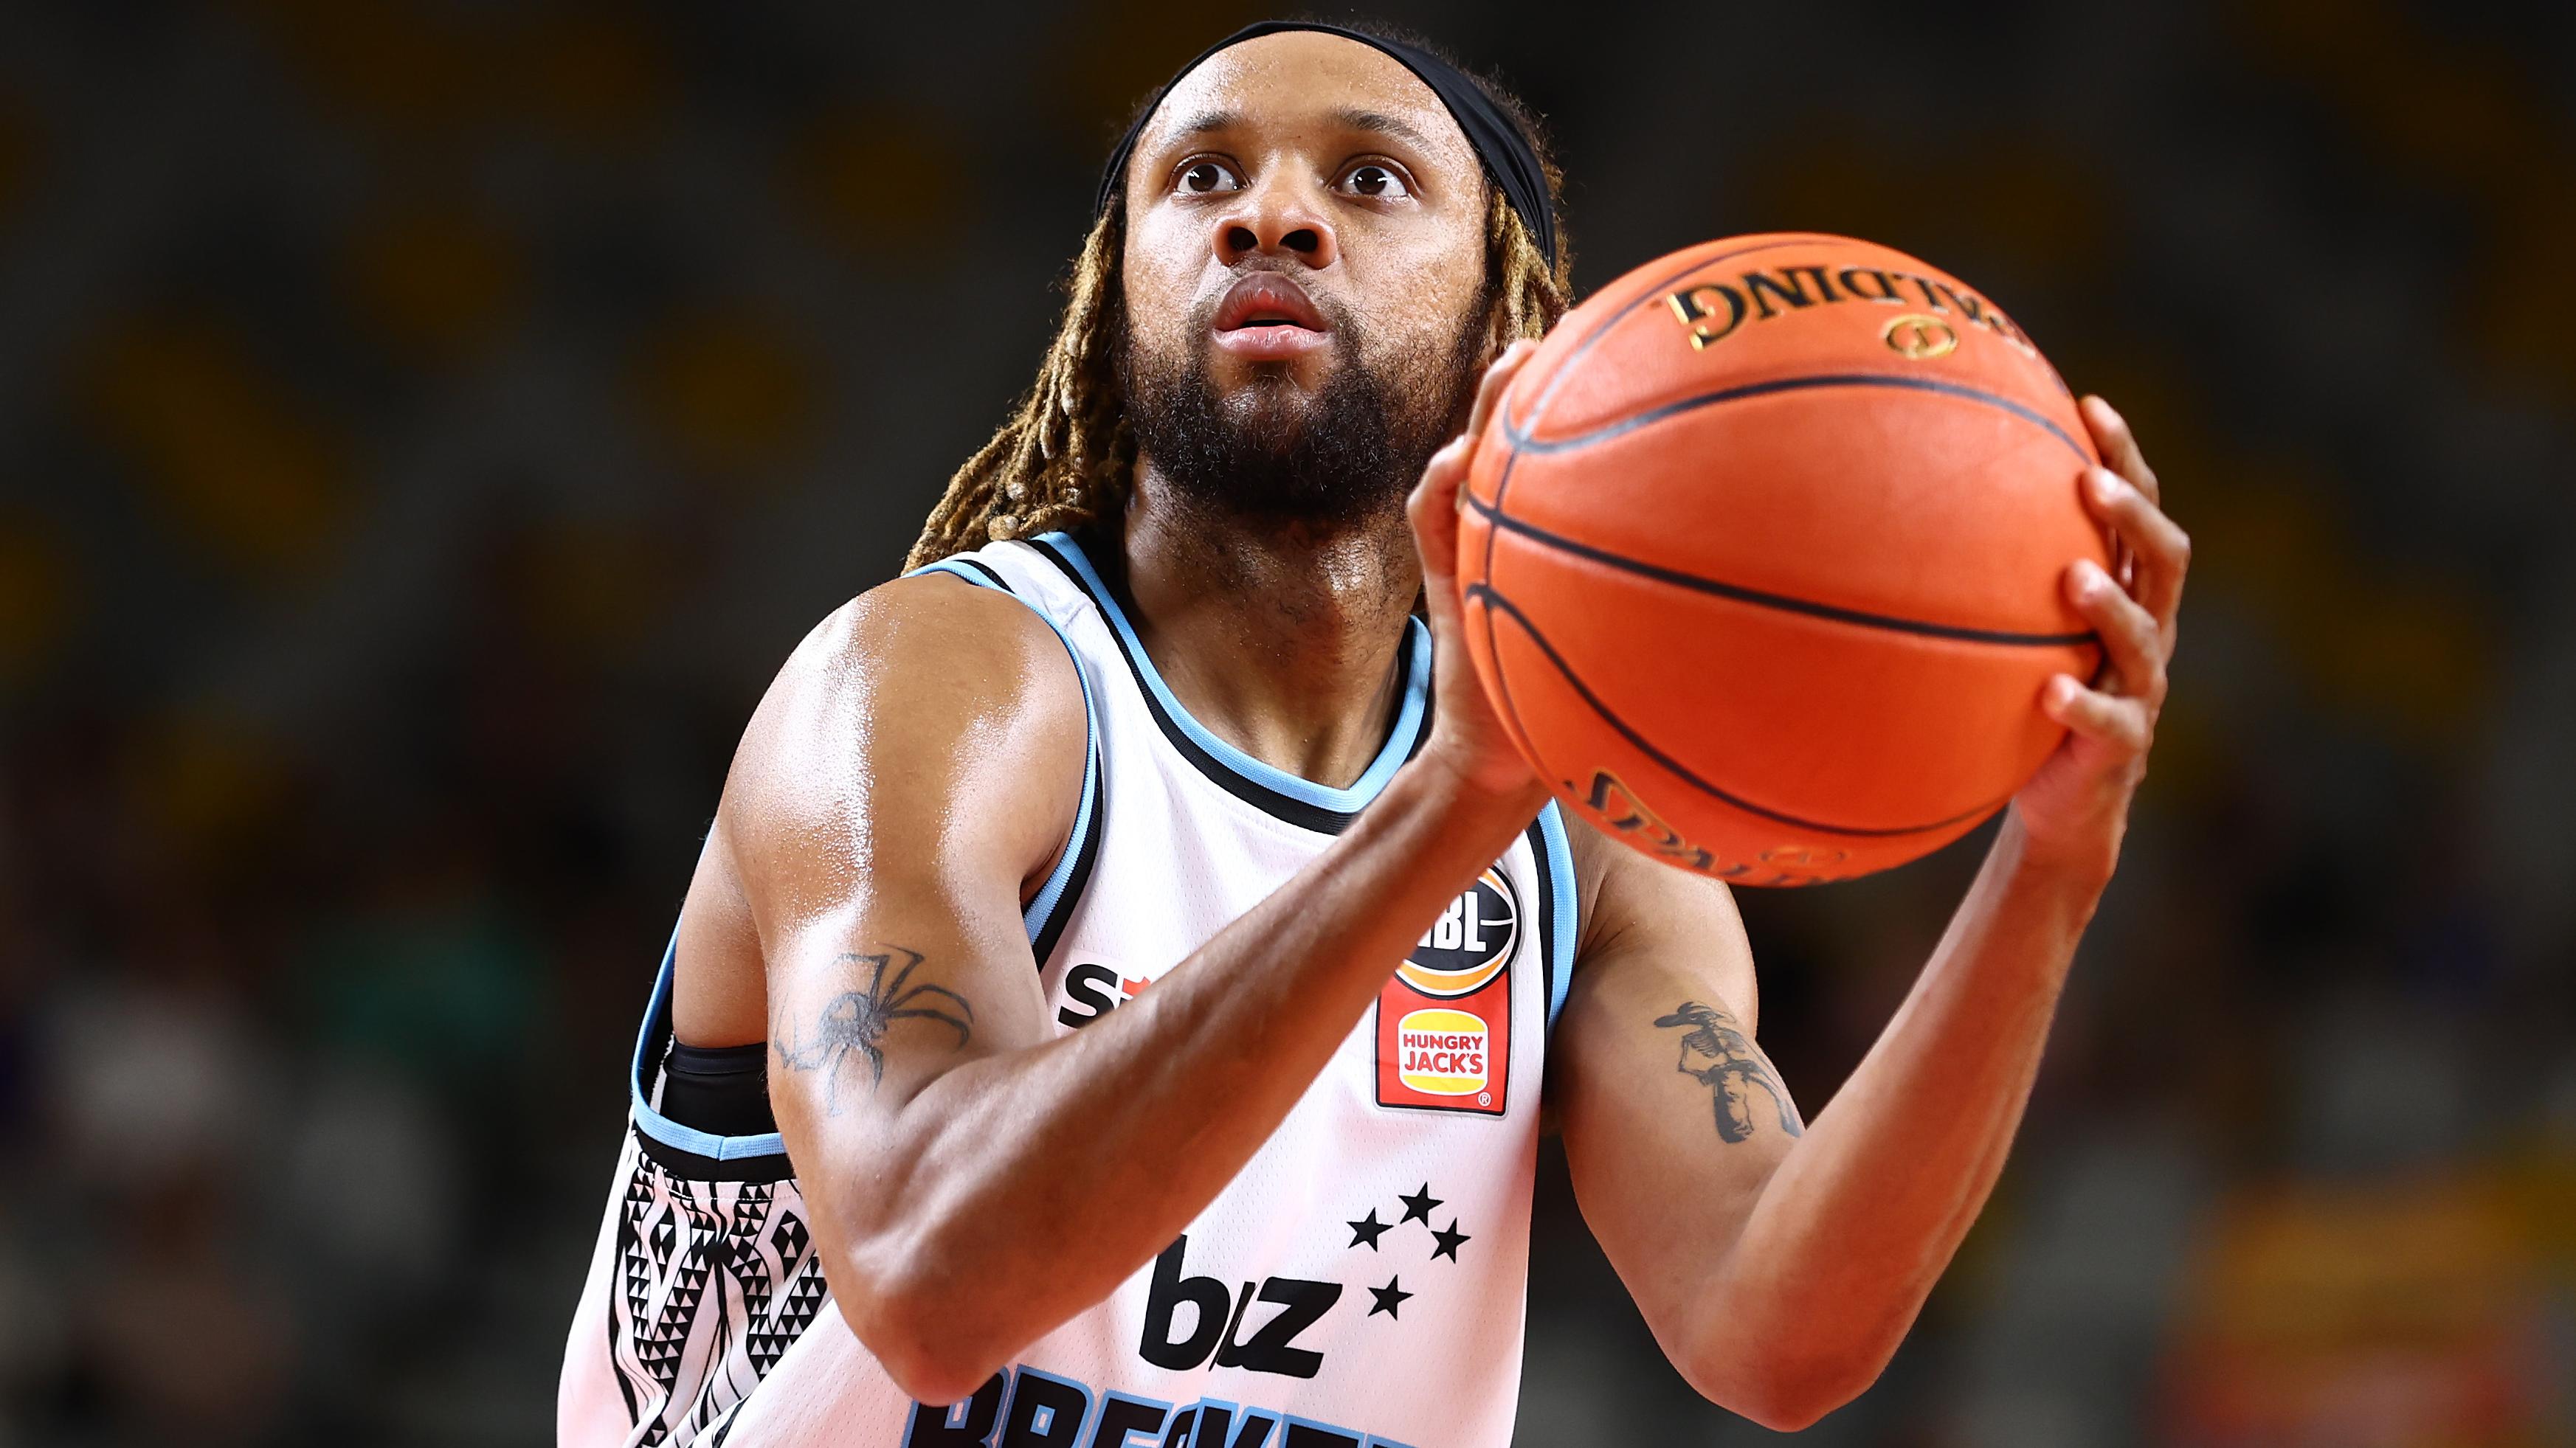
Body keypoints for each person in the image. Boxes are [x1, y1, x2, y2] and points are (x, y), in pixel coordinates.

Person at [557, 21, 2191, 1448]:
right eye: (1203, 177)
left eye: (1371, 178)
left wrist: (2051, 867)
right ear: (1114, 301)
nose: (1270, 212)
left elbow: (1775, 1332)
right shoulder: (935, 686)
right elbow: (930, 1280)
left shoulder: (1586, 834)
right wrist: (1454, 802)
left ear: (1507, 332)